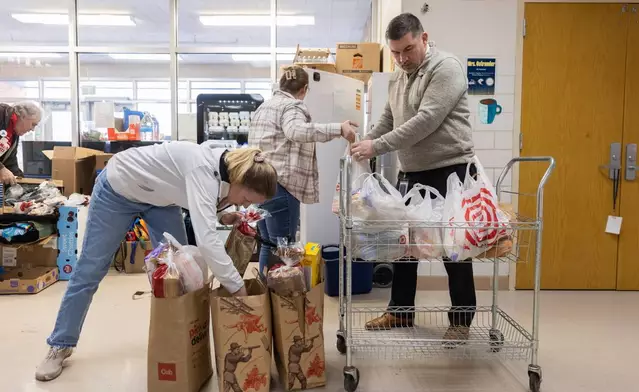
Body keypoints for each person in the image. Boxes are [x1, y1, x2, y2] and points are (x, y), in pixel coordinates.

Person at [35, 142, 278, 382]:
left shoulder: (223, 169)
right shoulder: (202, 169)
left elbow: (194, 195)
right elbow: (207, 240)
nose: (245, 205)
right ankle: (60, 344)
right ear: (239, 179)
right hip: (118, 190)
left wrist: (222, 215)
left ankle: (185, 346)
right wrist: (238, 287)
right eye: (246, 198)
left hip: (161, 201)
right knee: (90, 270)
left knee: (184, 271)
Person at [351, 13, 477, 343]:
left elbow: (426, 121)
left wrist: (376, 145)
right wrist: (364, 145)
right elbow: (388, 120)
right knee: (404, 245)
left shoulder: (445, 68)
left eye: (408, 49)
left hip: (450, 170)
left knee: (454, 248)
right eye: (395, 52)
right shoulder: (398, 76)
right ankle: (400, 311)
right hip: (412, 171)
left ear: (424, 38)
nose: (402, 59)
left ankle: (461, 320)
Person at [248, 65, 357, 274]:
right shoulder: (293, 106)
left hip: (258, 184)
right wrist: (338, 128)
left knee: (269, 246)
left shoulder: (264, 107)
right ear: (305, 89)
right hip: (280, 185)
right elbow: (296, 131)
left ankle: (267, 301)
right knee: (284, 250)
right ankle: (283, 303)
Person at [0, 101, 44, 184]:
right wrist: (1, 169)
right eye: (33, 124)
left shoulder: (13, 133)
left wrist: (24, 185)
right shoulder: (1, 113)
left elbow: (10, 163)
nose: (32, 129)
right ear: (23, 116)